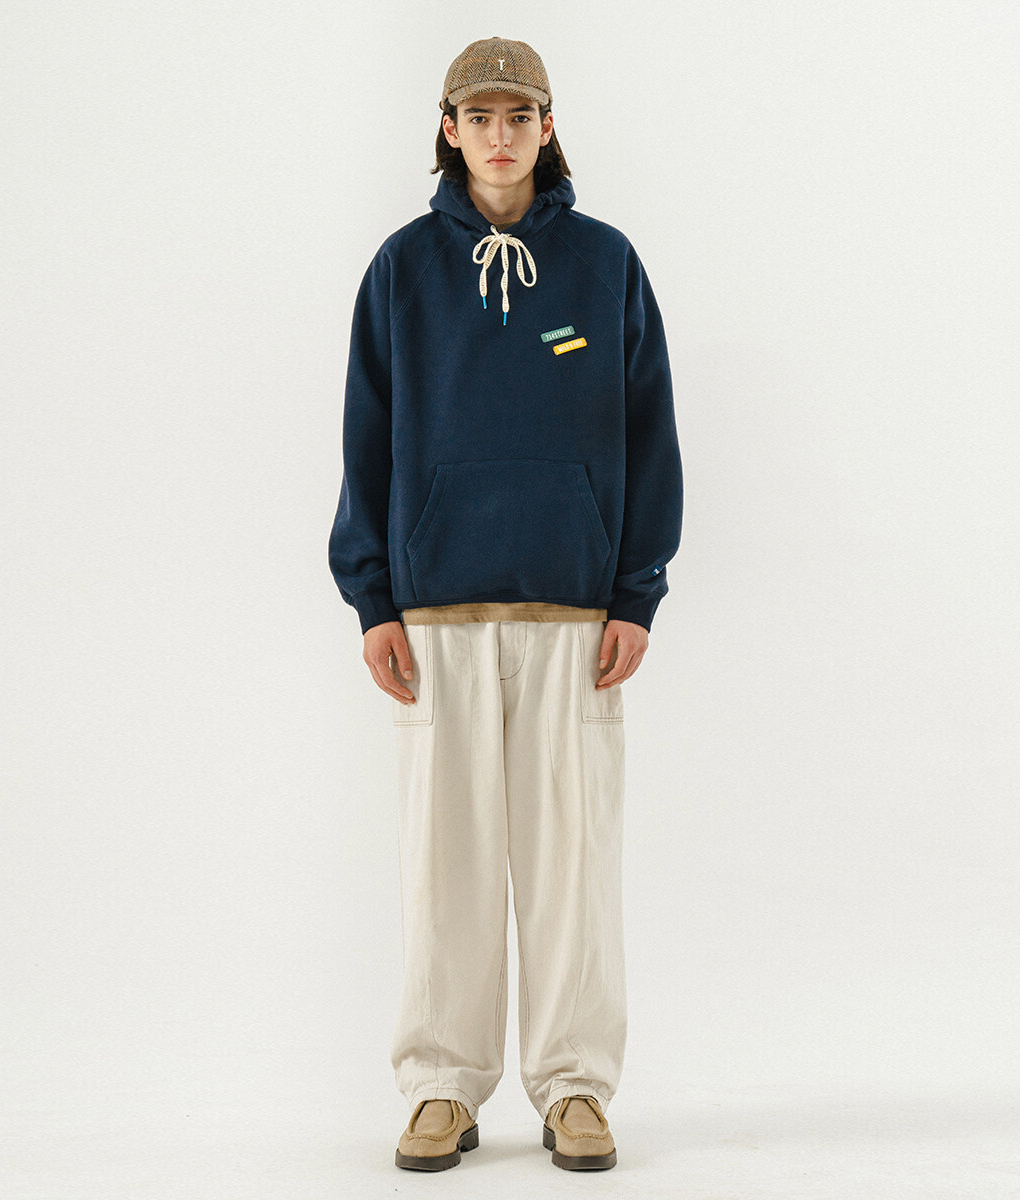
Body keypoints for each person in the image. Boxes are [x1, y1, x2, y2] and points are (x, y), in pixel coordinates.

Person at [328, 35, 684, 1172]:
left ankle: (575, 1085)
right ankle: (442, 1083)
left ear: (546, 126)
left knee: (573, 864)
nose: (498, 136)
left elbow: (650, 433)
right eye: (478, 117)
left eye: (517, 116)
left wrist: (635, 593)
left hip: (574, 616)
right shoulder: (400, 271)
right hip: (435, 614)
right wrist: (374, 601)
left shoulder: (606, 264)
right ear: (448, 128)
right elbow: (367, 441)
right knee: (449, 865)